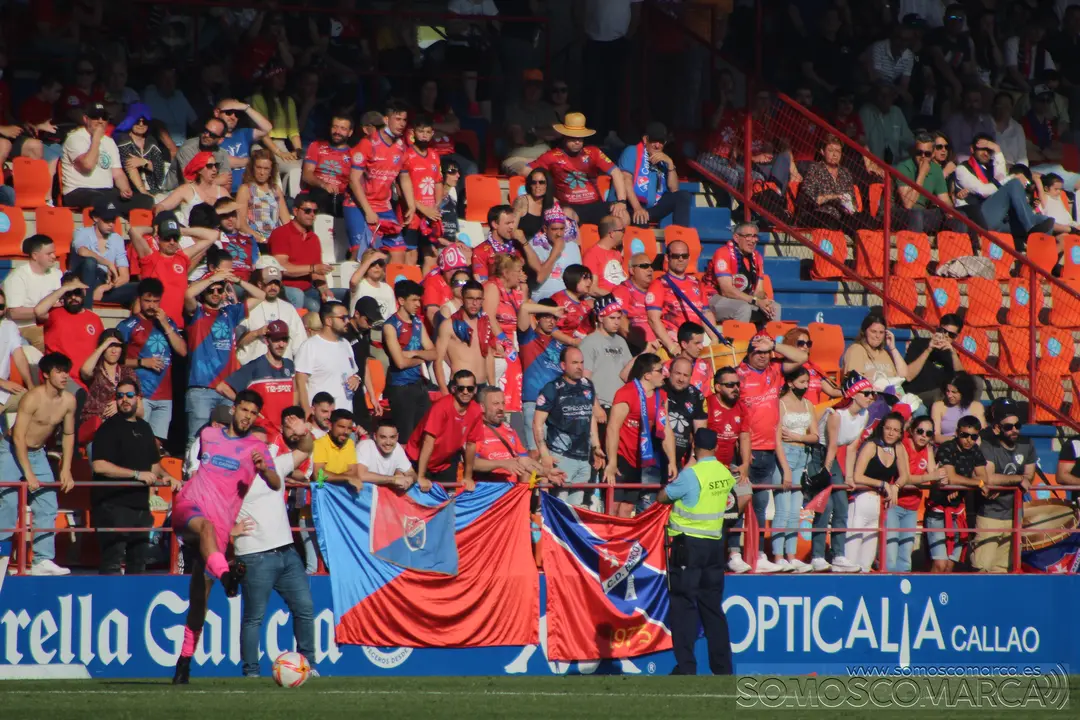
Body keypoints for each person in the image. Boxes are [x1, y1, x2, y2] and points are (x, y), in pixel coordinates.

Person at [171, 390, 279, 685]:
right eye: (243, 410)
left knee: (198, 603)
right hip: (188, 509)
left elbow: (276, 483)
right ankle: (229, 577)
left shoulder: (258, 447)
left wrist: (263, 469)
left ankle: (184, 661)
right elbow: (194, 469)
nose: (247, 416)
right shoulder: (208, 435)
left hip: (217, 534)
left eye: (252, 413)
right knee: (205, 527)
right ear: (233, 409)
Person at [235, 416, 316, 678]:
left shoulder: (276, 466)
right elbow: (209, 506)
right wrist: (229, 531)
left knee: (304, 609)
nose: (260, 450)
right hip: (254, 555)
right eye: (254, 445)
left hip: (287, 553)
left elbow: (305, 449)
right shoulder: (233, 474)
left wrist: (303, 432)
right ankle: (251, 672)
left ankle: (308, 665)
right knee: (253, 617)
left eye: (264, 445)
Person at [658, 427, 735, 676]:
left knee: (683, 606)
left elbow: (663, 497)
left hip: (687, 546)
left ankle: (686, 667)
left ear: (694, 446)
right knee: (713, 607)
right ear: (715, 447)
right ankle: (723, 669)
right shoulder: (724, 473)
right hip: (715, 545)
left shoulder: (691, 475)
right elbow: (738, 497)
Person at [729, 335, 807, 574]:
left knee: (761, 505)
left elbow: (803, 356)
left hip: (768, 452)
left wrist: (773, 345)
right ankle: (733, 554)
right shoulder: (738, 374)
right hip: (744, 452)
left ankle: (758, 554)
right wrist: (742, 452)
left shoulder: (775, 370)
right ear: (748, 353)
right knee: (737, 503)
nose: (762, 356)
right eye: (757, 351)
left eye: (765, 352)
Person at [0, 353, 77, 576]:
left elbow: (70, 434)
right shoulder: (32, 398)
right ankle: (2, 556)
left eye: (66, 371)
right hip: (12, 449)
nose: (64, 376)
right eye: (59, 371)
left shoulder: (69, 401)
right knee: (8, 502)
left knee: (47, 503)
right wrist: (28, 473)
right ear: (45, 374)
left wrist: (66, 469)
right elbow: (18, 437)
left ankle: (42, 560)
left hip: (38, 452)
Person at [90, 378, 177, 575]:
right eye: (120, 396)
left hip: (140, 506)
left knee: (138, 564)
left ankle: (133, 605)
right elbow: (99, 465)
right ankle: (109, 604)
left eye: (129, 395)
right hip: (112, 505)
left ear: (138, 398)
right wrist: (136, 475)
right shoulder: (108, 428)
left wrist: (168, 476)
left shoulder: (145, 427)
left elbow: (154, 465)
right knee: (112, 562)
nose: (124, 400)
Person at [182, 269, 266, 443]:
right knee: (196, 440)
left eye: (219, 290)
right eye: (211, 290)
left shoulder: (230, 313)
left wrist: (237, 280)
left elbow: (261, 295)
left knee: (229, 440)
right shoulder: (196, 313)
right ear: (204, 292)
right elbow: (188, 294)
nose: (215, 293)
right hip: (201, 388)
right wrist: (214, 278)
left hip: (227, 389)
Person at [808, 372, 876, 573]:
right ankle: (817, 556)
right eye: (867, 393)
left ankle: (838, 555)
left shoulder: (864, 414)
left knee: (842, 505)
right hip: (818, 455)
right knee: (825, 505)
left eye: (873, 393)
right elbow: (830, 447)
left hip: (833, 456)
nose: (871, 397)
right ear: (854, 394)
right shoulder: (836, 414)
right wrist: (825, 476)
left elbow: (853, 447)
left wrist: (849, 478)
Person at [603, 353, 677, 518]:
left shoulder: (661, 396)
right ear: (647, 375)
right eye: (660, 370)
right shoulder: (626, 393)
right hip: (621, 455)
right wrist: (612, 462)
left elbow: (665, 429)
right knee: (613, 507)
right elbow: (613, 428)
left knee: (627, 509)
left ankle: (622, 542)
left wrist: (672, 460)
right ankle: (609, 542)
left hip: (639, 458)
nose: (665, 373)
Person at [525, 113, 631, 225]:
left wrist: (621, 202)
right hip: (568, 206)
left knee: (624, 216)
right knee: (566, 216)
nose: (577, 141)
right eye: (573, 137)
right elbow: (527, 171)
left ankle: (608, 243)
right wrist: (548, 196)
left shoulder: (593, 152)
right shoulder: (551, 156)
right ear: (564, 136)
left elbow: (616, 172)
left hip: (596, 204)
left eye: (580, 138)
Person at [116, 278, 188, 442]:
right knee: (136, 440)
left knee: (156, 444)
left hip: (165, 396)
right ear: (139, 299)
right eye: (147, 301)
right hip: (141, 394)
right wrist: (143, 362)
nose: (151, 306)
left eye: (155, 301)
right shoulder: (128, 325)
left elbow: (182, 351)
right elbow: (117, 360)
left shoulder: (167, 323)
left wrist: (165, 325)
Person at [345, 100, 413, 259]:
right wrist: (368, 211)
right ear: (386, 120)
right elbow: (353, 180)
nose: (402, 124)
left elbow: (404, 177)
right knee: (362, 254)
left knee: (399, 253)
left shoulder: (402, 146)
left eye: (404, 120)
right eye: (398, 119)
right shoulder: (368, 143)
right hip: (358, 205)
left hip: (384, 206)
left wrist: (411, 205)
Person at [534, 347, 601, 506]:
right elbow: (537, 424)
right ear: (563, 366)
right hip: (561, 456)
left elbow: (589, 416)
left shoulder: (587, 385)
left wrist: (596, 447)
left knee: (576, 507)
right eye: (574, 363)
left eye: (582, 362)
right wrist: (544, 455)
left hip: (583, 457)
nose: (579, 367)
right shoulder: (552, 388)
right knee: (560, 506)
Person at [130, 212, 219, 329]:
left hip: (176, 325)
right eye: (167, 238)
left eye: (175, 238)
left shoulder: (182, 257)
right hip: (151, 324)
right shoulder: (150, 257)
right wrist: (154, 230)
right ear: (159, 238)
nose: (172, 242)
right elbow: (133, 232)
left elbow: (213, 235)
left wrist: (182, 231)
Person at [953, 134, 1055, 236]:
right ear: (972, 149)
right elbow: (983, 191)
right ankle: (1029, 227)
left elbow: (1001, 178)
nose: (986, 153)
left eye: (989, 150)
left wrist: (997, 150)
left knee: (1046, 221)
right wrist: (1011, 178)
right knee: (1014, 183)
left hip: (999, 218)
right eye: (982, 149)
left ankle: (1036, 242)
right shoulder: (962, 169)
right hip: (979, 217)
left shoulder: (990, 167)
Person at [61, 102, 153, 212]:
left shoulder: (109, 142)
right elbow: (87, 166)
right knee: (102, 199)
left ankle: (113, 209)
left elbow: (118, 173)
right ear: (86, 119)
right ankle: (115, 210)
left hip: (106, 191)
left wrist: (125, 189)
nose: (100, 121)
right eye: (95, 117)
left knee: (146, 200)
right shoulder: (75, 138)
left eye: (104, 118)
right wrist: (96, 139)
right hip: (79, 190)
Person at [846, 411, 908, 572]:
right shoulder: (871, 445)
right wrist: (882, 484)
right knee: (850, 559)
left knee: (866, 563)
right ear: (882, 428)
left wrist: (895, 486)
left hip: (877, 507)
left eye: (895, 430)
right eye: (888, 428)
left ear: (901, 433)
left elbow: (905, 475)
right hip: (861, 502)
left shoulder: (898, 448)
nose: (891, 433)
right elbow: (857, 476)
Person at [976, 408, 1036, 573]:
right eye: (1008, 427)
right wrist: (1018, 479)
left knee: (1003, 570)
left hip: (1014, 515)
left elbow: (1030, 475)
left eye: (1017, 425)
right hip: (990, 514)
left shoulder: (1026, 443)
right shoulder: (988, 445)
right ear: (997, 428)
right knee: (982, 567)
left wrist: (1022, 480)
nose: (1014, 430)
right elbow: (989, 478)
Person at [772, 367, 818, 573]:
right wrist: (785, 469)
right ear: (790, 383)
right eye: (801, 382)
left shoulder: (809, 405)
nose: (806, 386)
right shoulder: (780, 404)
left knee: (794, 511)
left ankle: (791, 556)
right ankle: (778, 556)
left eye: (807, 382)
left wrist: (798, 437)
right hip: (786, 456)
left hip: (803, 455)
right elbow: (778, 439)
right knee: (782, 510)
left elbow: (815, 436)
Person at [406, 369, 484, 488]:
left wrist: (468, 477)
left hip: (444, 462)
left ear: (475, 390)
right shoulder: (441, 407)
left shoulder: (476, 410)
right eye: (461, 388)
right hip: (417, 460)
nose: (465, 392)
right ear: (453, 389)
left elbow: (471, 444)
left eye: (470, 388)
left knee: (448, 501)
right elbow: (428, 441)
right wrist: (421, 476)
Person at [928, 414, 986, 573]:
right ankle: (930, 594)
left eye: (973, 436)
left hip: (958, 511)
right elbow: (952, 477)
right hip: (938, 510)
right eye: (964, 435)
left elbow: (984, 477)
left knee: (950, 566)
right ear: (956, 432)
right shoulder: (947, 447)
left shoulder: (975, 450)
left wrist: (960, 486)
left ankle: (943, 596)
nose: (969, 440)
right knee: (940, 564)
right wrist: (976, 483)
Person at [268, 192, 343, 312]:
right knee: (313, 305)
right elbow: (282, 267)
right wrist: (313, 268)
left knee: (344, 294)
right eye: (307, 211)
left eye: (315, 211)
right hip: (284, 289)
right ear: (295, 211)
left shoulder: (313, 238)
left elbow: (318, 272)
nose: (312, 215)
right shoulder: (281, 233)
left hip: (308, 289)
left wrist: (324, 290)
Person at [219, 320, 297, 434]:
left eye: (284, 340)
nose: (281, 344)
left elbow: (295, 392)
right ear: (266, 340)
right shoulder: (255, 366)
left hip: (286, 432)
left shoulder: (290, 365)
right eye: (276, 340)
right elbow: (222, 387)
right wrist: (247, 407)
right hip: (262, 432)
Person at [383, 280, 436, 444]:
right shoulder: (391, 326)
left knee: (424, 436)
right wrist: (422, 359)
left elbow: (434, 353)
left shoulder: (418, 323)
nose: (418, 304)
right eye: (414, 300)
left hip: (419, 386)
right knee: (405, 437)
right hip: (401, 388)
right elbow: (400, 363)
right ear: (401, 301)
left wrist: (413, 354)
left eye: (419, 300)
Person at [33, 273, 104, 391]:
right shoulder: (54, 313)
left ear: (84, 292)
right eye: (69, 294)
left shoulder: (94, 319)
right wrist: (65, 288)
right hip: (60, 379)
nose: (73, 297)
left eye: (77, 292)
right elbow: (38, 311)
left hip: (86, 379)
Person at [647, 241, 718, 356]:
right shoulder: (659, 284)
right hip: (675, 344)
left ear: (689, 258)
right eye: (675, 256)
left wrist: (714, 339)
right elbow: (653, 319)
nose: (680, 259)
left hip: (696, 343)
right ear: (667, 257)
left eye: (684, 256)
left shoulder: (696, 283)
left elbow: (705, 313)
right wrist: (672, 347)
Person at [472, 386, 554, 486]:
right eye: (496, 404)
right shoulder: (475, 431)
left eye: (503, 403)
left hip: (511, 493)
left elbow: (525, 461)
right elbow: (472, 463)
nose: (501, 408)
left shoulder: (509, 430)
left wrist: (547, 472)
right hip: (487, 493)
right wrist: (501, 464)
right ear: (482, 407)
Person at [616, 121, 691, 227]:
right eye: (654, 141)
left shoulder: (663, 159)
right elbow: (626, 182)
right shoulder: (631, 151)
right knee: (642, 223)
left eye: (661, 142)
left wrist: (670, 164)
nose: (657, 145)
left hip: (652, 208)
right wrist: (637, 208)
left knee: (683, 196)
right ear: (645, 139)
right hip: (632, 207)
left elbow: (674, 189)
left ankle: (680, 237)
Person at [294, 301, 362, 418]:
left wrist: (357, 378)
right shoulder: (310, 346)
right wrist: (307, 411)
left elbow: (353, 373)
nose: (347, 322)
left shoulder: (345, 344)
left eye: (348, 317)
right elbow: (300, 382)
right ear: (328, 321)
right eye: (343, 318)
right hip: (321, 420)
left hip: (345, 419)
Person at [707, 222, 780, 326]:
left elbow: (758, 291)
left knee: (774, 307)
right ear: (736, 238)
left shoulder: (757, 257)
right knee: (743, 308)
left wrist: (764, 301)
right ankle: (739, 341)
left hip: (743, 299)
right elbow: (726, 291)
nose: (753, 240)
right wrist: (756, 301)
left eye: (755, 236)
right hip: (713, 298)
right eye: (748, 236)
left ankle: (768, 340)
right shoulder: (723, 253)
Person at [890, 416, 937, 572]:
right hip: (894, 504)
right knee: (890, 552)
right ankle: (886, 586)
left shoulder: (927, 449)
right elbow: (906, 477)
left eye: (929, 433)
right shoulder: (903, 446)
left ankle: (902, 586)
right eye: (920, 431)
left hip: (912, 506)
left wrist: (940, 477)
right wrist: (930, 477)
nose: (924, 436)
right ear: (911, 431)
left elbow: (933, 473)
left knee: (905, 553)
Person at [71, 198, 136, 308]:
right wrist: (108, 263)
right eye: (107, 220)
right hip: (82, 282)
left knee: (143, 287)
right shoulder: (81, 232)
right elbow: (82, 251)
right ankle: (87, 309)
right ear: (96, 218)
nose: (111, 224)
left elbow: (124, 276)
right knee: (90, 262)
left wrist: (105, 287)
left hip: (105, 284)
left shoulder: (117, 239)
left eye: (113, 220)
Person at [236, 266, 307, 365]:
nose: (273, 287)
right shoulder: (248, 307)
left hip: (282, 369)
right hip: (253, 369)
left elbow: (299, 346)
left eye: (276, 283)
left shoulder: (289, 309)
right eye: (269, 283)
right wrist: (256, 333)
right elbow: (237, 343)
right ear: (260, 284)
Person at [3, 234, 62, 351]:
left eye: (54, 252)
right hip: (26, 327)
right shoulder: (18, 277)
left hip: (53, 324)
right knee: (52, 341)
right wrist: (45, 312)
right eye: (49, 254)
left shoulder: (57, 274)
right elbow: (14, 313)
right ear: (35, 256)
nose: (54, 256)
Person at [78, 330, 137, 445]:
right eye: (110, 346)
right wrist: (102, 346)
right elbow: (85, 371)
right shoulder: (95, 370)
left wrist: (121, 404)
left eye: (117, 346)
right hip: (96, 429)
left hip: (122, 428)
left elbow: (139, 407)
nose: (114, 351)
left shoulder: (127, 373)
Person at [796, 135, 865, 233]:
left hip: (842, 216)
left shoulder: (845, 173)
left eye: (838, 151)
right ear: (822, 152)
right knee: (830, 221)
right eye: (831, 150)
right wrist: (834, 196)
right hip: (818, 214)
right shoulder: (814, 169)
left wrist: (850, 206)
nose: (835, 155)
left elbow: (852, 202)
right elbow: (810, 199)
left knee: (864, 219)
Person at [402, 113, 445, 269]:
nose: (424, 136)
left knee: (431, 255)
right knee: (411, 257)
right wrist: (423, 208)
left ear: (432, 133)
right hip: (412, 215)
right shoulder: (407, 155)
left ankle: (426, 291)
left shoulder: (434, 155)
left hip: (430, 216)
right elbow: (402, 190)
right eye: (421, 131)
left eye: (428, 132)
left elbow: (438, 182)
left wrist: (436, 206)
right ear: (413, 132)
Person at [436, 280, 494, 394]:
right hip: (460, 387)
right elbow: (437, 360)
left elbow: (489, 355)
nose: (474, 303)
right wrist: (444, 391)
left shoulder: (485, 323)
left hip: (482, 386)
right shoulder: (448, 325)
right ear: (463, 298)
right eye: (470, 298)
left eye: (478, 299)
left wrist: (492, 387)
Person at [903, 314, 965, 409]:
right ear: (938, 329)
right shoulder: (919, 344)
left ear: (956, 337)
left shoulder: (951, 354)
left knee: (976, 383)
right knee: (940, 395)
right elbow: (908, 376)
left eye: (951, 335)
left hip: (942, 396)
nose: (946, 336)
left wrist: (953, 353)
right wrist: (929, 349)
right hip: (917, 395)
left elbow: (962, 380)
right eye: (944, 331)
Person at [215, 98, 274, 193]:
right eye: (229, 112)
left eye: (237, 114)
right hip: (226, 193)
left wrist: (245, 108)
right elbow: (224, 161)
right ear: (217, 113)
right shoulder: (212, 137)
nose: (233, 117)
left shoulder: (242, 133)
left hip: (250, 191)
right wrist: (253, 161)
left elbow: (267, 128)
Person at [236, 148, 292, 245]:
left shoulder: (276, 189)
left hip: (276, 240)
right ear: (253, 168)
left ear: (271, 170)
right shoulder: (245, 189)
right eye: (259, 167)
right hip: (256, 241)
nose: (262, 172)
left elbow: (286, 221)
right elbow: (241, 223)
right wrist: (261, 239)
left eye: (266, 169)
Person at [302, 114, 355, 214]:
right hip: (316, 192)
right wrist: (324, 185)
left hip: (340, 197)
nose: (337, 132)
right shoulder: (316, 146)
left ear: (350, 132)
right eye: (335, 127)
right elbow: (306, 175)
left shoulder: (353, 155)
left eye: (343, 128)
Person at [842, 311, 909, 387]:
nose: (877, 336)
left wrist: (893, 348)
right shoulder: (856, 350)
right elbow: (855, 381)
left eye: (881, 332)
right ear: (864, 332)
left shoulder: (885, 353)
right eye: (873, 331)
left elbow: (904, 375)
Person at [663, 357, 708, 472]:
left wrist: (693, 458)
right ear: (669, 372)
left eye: (686, 375)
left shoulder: (696, 396)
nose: (681, 379)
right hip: (654, 458)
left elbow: (701, 433)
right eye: (677, 373)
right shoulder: (658, 389)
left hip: (679, 462)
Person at [527, 205, 578, 301]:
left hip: (567, 299)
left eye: (562, 229)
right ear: (545, 229)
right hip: (542, 298)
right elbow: (540, 278)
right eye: (554, 229)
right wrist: (555, 251)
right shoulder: (533, 245)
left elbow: (578, 279)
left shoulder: (572, 246)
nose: (559, 234)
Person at [355, 419, 416, 489]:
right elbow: (360, 475)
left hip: (382, 495)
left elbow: (412, 472)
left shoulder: (397, 448)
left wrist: (410, 479)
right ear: (375, 436)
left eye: (392, 437)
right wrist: (393, 479)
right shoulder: (365, 445)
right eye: (383, 437)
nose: (388, 442)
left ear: (397, 437)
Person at [931, 371, 986, 443]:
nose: (949, 395)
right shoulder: (938, 406)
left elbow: (982, 433)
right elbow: (936, 437)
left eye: (954, 392)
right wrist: (958, 440)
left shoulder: (976, 406)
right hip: (948, 445)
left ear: (964, 392)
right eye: (947, 391)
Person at [312, 409, 360, 486]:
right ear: (330, 426)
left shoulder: (349, 443)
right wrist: (346, 477)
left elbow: (353, 473)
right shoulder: (319, 444)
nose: (346, 432)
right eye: (341, 427)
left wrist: (330, 476)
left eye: (349, 428)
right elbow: (318, 475)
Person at [581, 216, 627, 294]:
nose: (624, 233)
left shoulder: (617, 253)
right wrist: (615, 298)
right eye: (622, 230)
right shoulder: (591, 255)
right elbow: (592, 289)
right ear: (612, 233)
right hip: (608, 301)